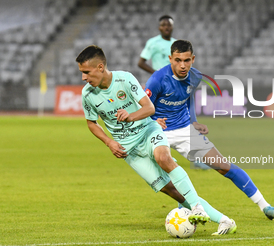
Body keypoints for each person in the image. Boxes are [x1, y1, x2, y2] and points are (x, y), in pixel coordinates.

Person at [76, 45, 237, 235]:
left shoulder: (125, 79)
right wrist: (109, 142)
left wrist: (131, 116)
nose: (83, 78)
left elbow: (150, 108)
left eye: (86, 72)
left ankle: (197, 207)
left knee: (163, 157)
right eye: (82, 73)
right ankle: (225, 221)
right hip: (129, 150)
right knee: (171, 189)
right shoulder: (88, 94)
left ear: (100, 67)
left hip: (148, 131)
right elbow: (92, 123)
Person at [144, 40, 274, 220]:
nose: (182, 65)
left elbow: (188, 98)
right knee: (171, 177)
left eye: (186, 60)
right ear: (170, 58)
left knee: (224, 166)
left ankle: (265, 206)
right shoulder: (157, 79)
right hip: (159, 132)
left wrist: (193, 121)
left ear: (193, 59)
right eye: (178, 60)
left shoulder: (194, 77)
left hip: (184, 129)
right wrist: (154, 120)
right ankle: (187, 207)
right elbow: (142, 106)